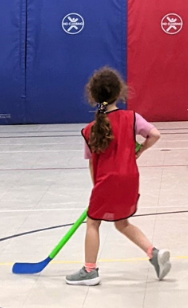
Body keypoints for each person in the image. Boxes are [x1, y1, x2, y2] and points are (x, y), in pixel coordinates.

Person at [66, 67, 171, 287]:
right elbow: (155, 134)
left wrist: (98, 188)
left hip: (106, 181)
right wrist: (139, 150)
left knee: (93, 223)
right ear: (119, 93)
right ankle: (153, 253)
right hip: (131, 179)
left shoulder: (90, 130)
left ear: (93, 97)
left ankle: (89, 271)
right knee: (122, 222)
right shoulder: (132, 118)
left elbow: (93, 164)